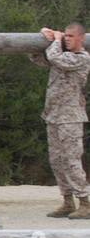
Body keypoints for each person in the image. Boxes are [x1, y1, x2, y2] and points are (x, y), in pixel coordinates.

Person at [28, 23, 90, 219]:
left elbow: (56, 57)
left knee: (71, 160)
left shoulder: (81, 58)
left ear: (81, 38)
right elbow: (38, 58)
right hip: (54, 115)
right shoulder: (60, 55)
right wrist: (41, 38)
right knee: (57, 160)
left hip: (70, 118)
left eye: (71, 36)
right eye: (66, 36)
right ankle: (67, 200)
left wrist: (56, 39)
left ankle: (85, 202)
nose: (67, 39)